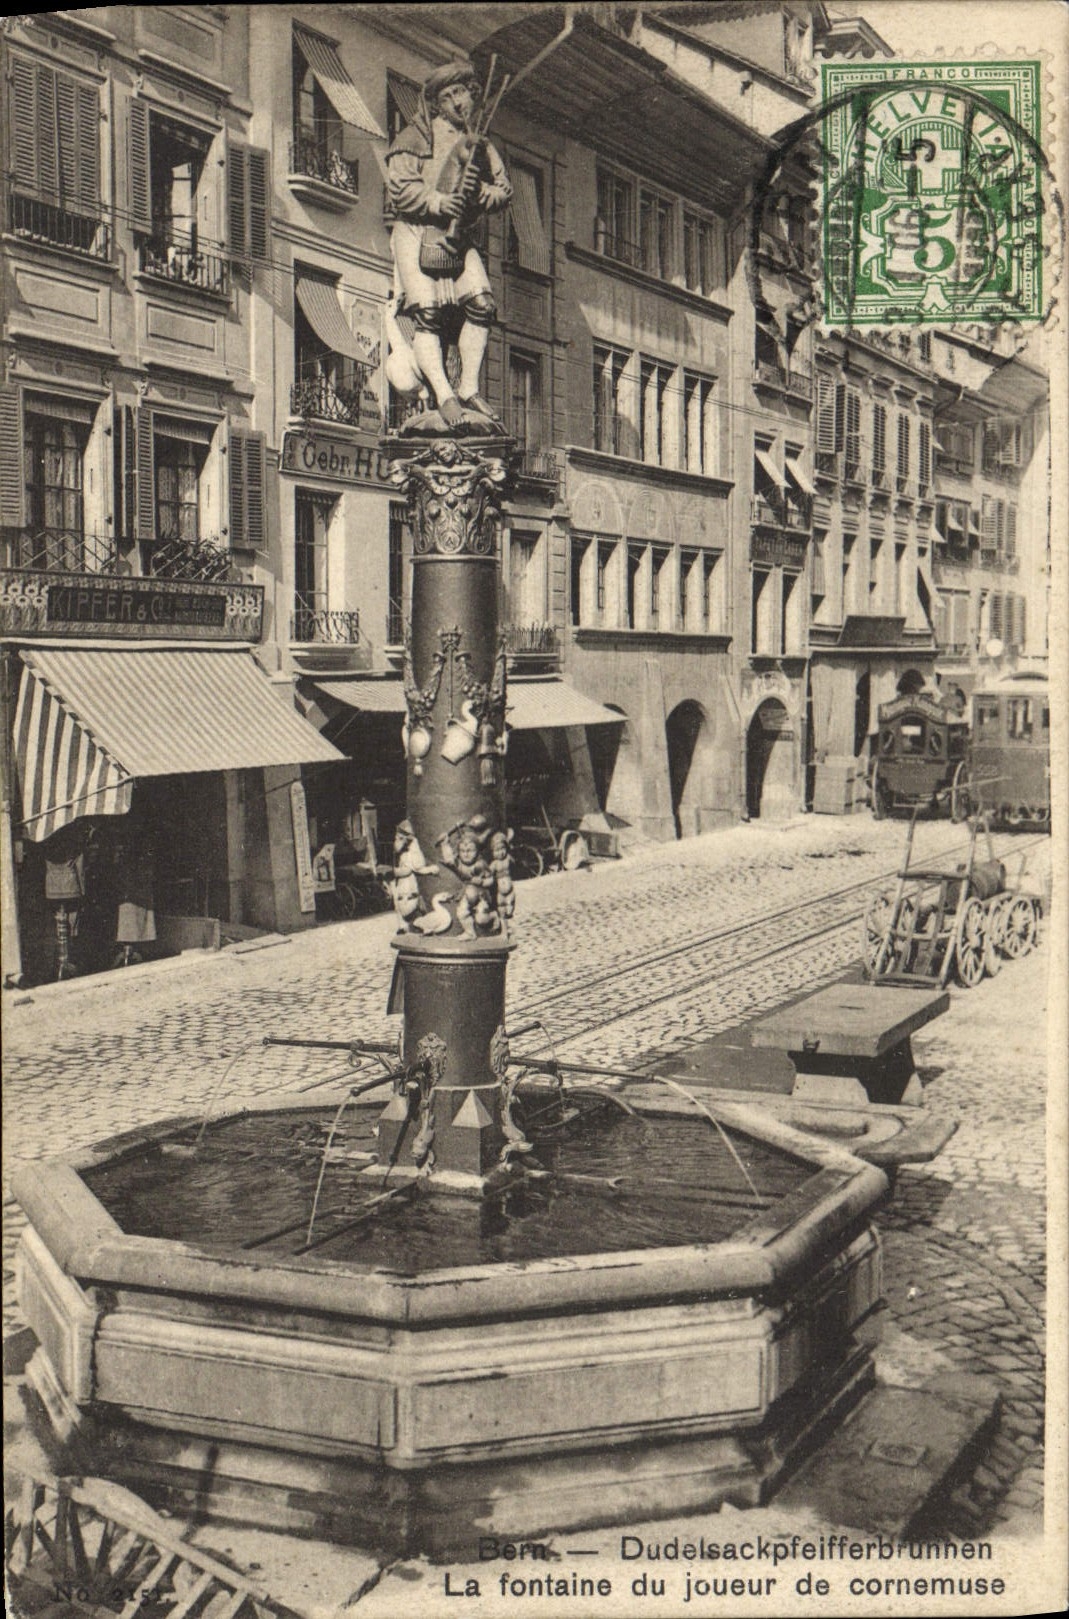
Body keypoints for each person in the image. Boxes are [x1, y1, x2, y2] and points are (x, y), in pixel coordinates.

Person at [385, 59, 512, 428]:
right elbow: (401, 190)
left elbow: (504, 190)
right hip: (414, 232)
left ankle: (469, 387)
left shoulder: (480, 145)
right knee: (429, 313)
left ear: (473, 96)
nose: (458, 102)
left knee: (483, 305)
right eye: (448, 95)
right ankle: (444, 394)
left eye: (462, 93)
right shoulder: (414, 139)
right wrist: (439, 201)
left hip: (458, 238)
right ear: (436, 103)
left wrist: (482, 195)